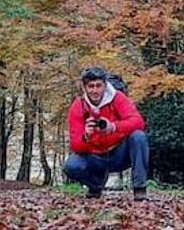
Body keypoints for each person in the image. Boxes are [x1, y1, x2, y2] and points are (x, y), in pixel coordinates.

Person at [63, 66, 149, 200]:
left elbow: (138, 122)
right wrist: (86, 136)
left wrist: (113, 126)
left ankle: (139, 188)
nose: (95, 90)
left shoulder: (118, 98)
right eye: (91, 86)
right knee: (71, 166)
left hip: (119, 153)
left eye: (99, 86)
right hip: (95, 156)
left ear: (105, 85)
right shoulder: (78, 106)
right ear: (84, 87)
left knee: (139, 137)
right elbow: (76, 146)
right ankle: (95, 186)